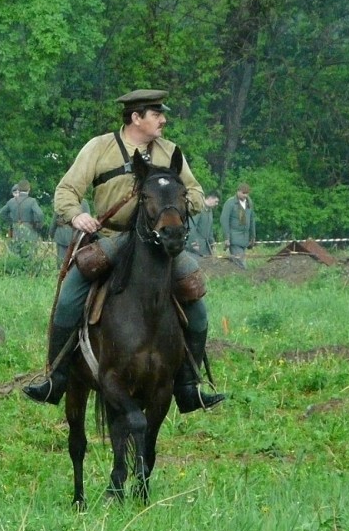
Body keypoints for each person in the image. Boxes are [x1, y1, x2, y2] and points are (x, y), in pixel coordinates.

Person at [23, 89, 225, 413]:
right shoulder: (99, 147)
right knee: (69, 297)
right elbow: (66, 190)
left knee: (197, 301)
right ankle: (56, 377)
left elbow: (196, 193)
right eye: (157, 114)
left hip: (161, 245)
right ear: (136, 117)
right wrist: (77, 215)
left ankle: (188, 385)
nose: (163, 120)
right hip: (112, 238)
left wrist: (181, 199)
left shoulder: (170, 152)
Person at [0, 179, 44, 258]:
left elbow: (2, 213)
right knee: (29, 254)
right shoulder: (32, 201)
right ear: (29, 189)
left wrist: (11, 222)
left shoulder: (11, 201)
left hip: (15, 230)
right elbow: (39, 214)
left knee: (15, 254)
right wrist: (38, 225)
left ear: (18, 189)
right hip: (29, 230)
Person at [220, 183, 256, 268]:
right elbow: (224, 220)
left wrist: (253, 236)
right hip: (234, 239)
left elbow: (252, 220)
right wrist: (227, 238)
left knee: (238, 264)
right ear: (238, 192)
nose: (245, 195)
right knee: (241, 265)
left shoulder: (249, 202)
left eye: (247, 193)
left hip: (244, 240)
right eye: (243, 193)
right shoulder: (230, 203)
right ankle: (243, 279)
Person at [48, 199, 89, 268]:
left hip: (62, 235)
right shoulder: (84, 203)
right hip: (76, 236)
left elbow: (54, 220)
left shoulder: (62, 200)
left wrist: (51, 234)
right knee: (75, 263)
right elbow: (87, 219)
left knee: (61, 262)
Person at [186, 192, 220, 257]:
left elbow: (210, 230)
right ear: (210, 198)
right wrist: (194, 243)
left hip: (205, 246)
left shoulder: (210, 211)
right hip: (195, 246)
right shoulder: (198, 208)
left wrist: (212, 243)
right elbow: (191, 226)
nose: (217, 204)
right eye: (216, 201)